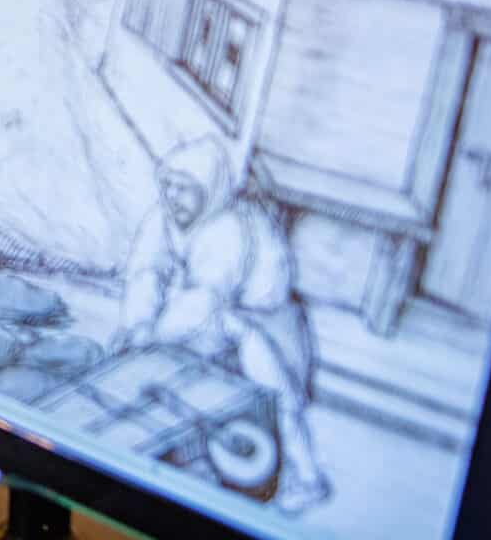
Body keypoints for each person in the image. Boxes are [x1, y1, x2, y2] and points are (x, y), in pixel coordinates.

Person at [111, 140, 333, 514]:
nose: (174, 196)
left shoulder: (229, 226)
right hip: (220, 320)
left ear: (209, 190)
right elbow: (144, 273)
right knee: (188, 385)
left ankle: (307, 479)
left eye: (185, 189)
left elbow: (205, 296)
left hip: (265, 321)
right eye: (169, 185)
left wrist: (156, 335)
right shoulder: (160, 220)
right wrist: (138, 325)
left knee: (278, 399)